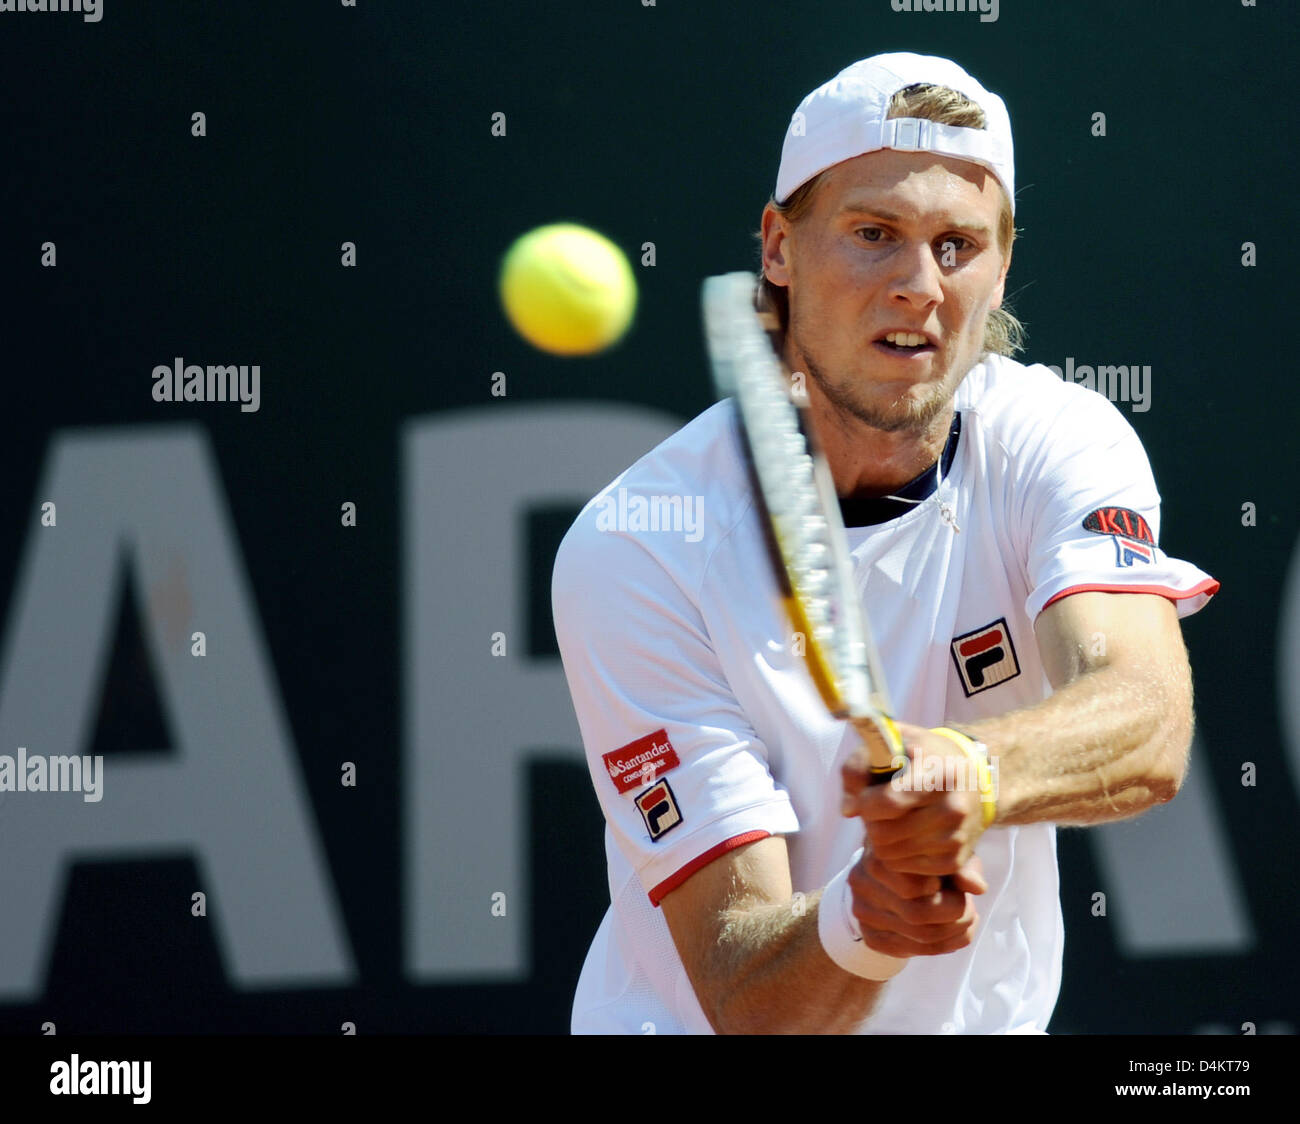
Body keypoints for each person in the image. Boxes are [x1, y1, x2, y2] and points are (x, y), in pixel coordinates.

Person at [551, 52, 1218, 1034]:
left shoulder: (1059, 439)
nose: (918, 284)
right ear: (778, 246)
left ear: (1001, 266)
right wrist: (865, 922)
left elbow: (1147, 722)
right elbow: (744, 992)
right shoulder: (634, 547)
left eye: (958, 244)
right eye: (874, 235)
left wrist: (969, 767)